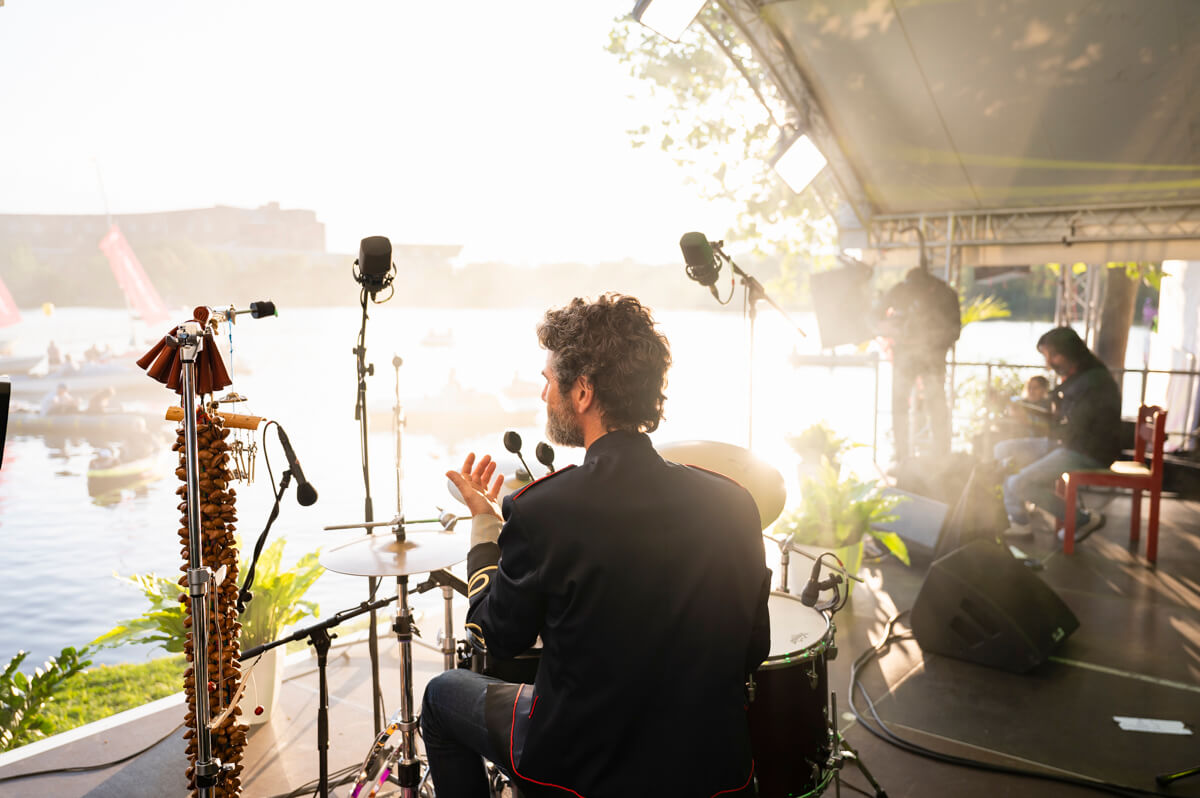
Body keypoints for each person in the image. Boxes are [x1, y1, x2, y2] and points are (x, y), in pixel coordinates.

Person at [421, 294, 771, 797]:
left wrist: (485, 528)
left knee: (440, 697)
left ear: (583, 391)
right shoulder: (734, 502)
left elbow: (496, 637)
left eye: (548, 380)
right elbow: (754, 649)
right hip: (713, 772)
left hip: (584, 772)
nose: (544, 394)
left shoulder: (542, 510)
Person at [994, 326, 1122, 542]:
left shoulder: (1093, 382)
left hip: (1088, 452)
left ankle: (1081, 519)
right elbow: (1062, 421)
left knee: (1018, 483)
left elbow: (1072, 428)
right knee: (1002, 449)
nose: (1049, 363)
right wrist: (1027, 411)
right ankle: (1017, 519)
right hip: (1070, 444)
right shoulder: (1077, 377)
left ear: (1070, 351)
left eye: (1053, 355)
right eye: (1046, 356)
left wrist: (1029, 421)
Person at [874, 265, 962, 462]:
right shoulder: (900, 290)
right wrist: (891, 328)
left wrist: (931, 342)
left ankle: (941, 453)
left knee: (936, 403)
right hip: (904, 358)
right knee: (899, 404)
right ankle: (902, 453)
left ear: (930, 286)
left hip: (933, 358)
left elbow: (955, 331)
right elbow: (874, 315)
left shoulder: (946, 295)